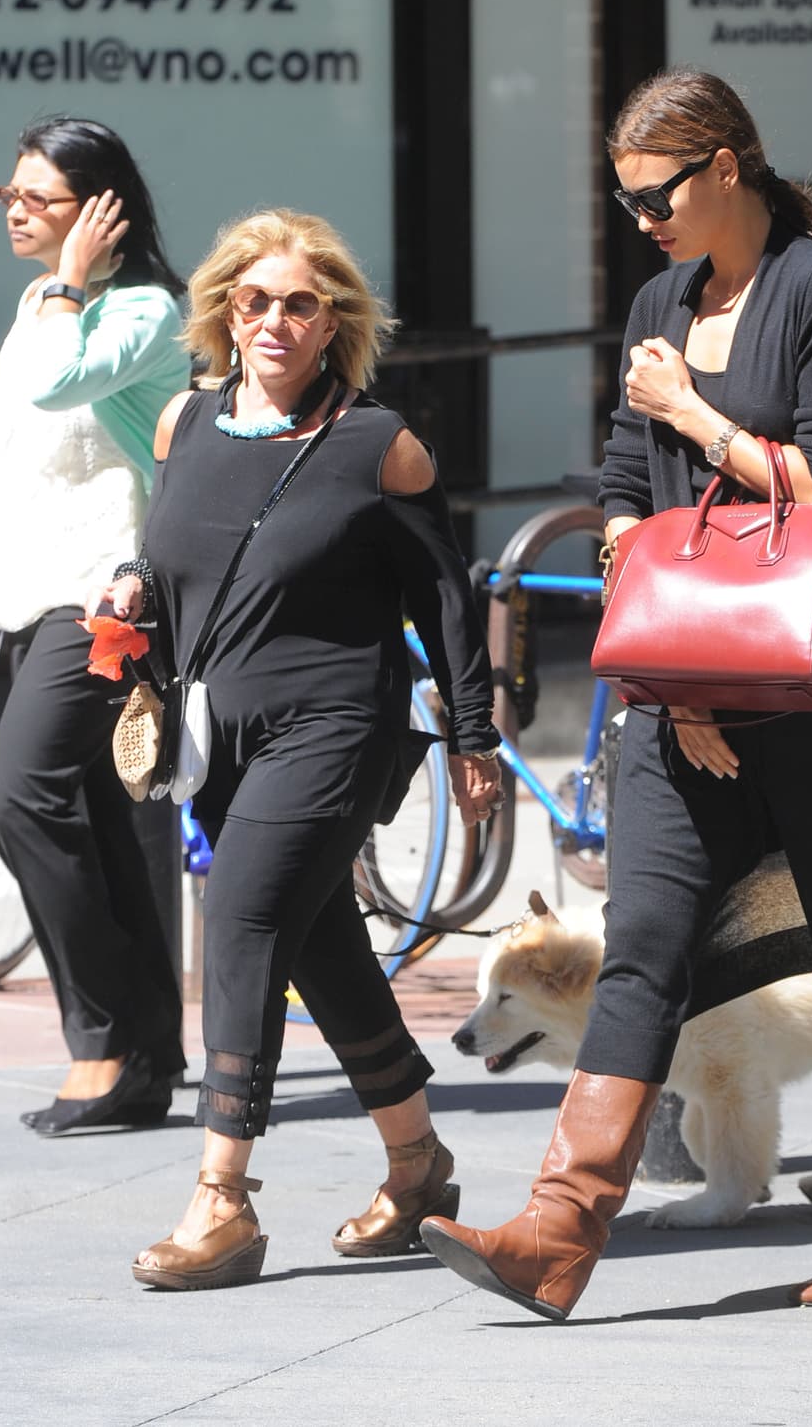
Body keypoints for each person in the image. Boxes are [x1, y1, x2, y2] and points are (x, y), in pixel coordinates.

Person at [421, 68, 812, 1319]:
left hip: (810, 692)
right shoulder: (655, 299)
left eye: (654, 196)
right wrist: (643, 572)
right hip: (679, 697)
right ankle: (557, 1232)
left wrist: (690, 408)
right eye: (622, 202)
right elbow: (629, 475)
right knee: (640, 949)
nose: (641, 223)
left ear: (725, 165)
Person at [105, 209, 504, 1291]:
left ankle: (222, 1198)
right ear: (224, 311)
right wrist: (133, 593)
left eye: (299, 304)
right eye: (253, 300)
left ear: (335, 323)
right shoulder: (182, 425)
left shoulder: (380, 445)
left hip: (335, 725)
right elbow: (171, 555)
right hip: (220, 734)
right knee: (320, 945)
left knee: (239, 913)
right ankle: (418, 1164)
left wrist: (474, 738)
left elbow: (447, 603)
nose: (274, 321)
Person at [0, 117, 190, 1135]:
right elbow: (14, 452)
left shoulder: (141, 311)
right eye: (8, 194)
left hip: (109, 597)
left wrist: (70, 281)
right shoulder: (45, 302)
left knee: (24, 797)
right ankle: (147, 1053)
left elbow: (56, 383)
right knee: (104, 825)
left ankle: (105, 1041)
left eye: (35, 198)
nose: (12, 209)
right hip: (41, 592)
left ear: (101, 211)